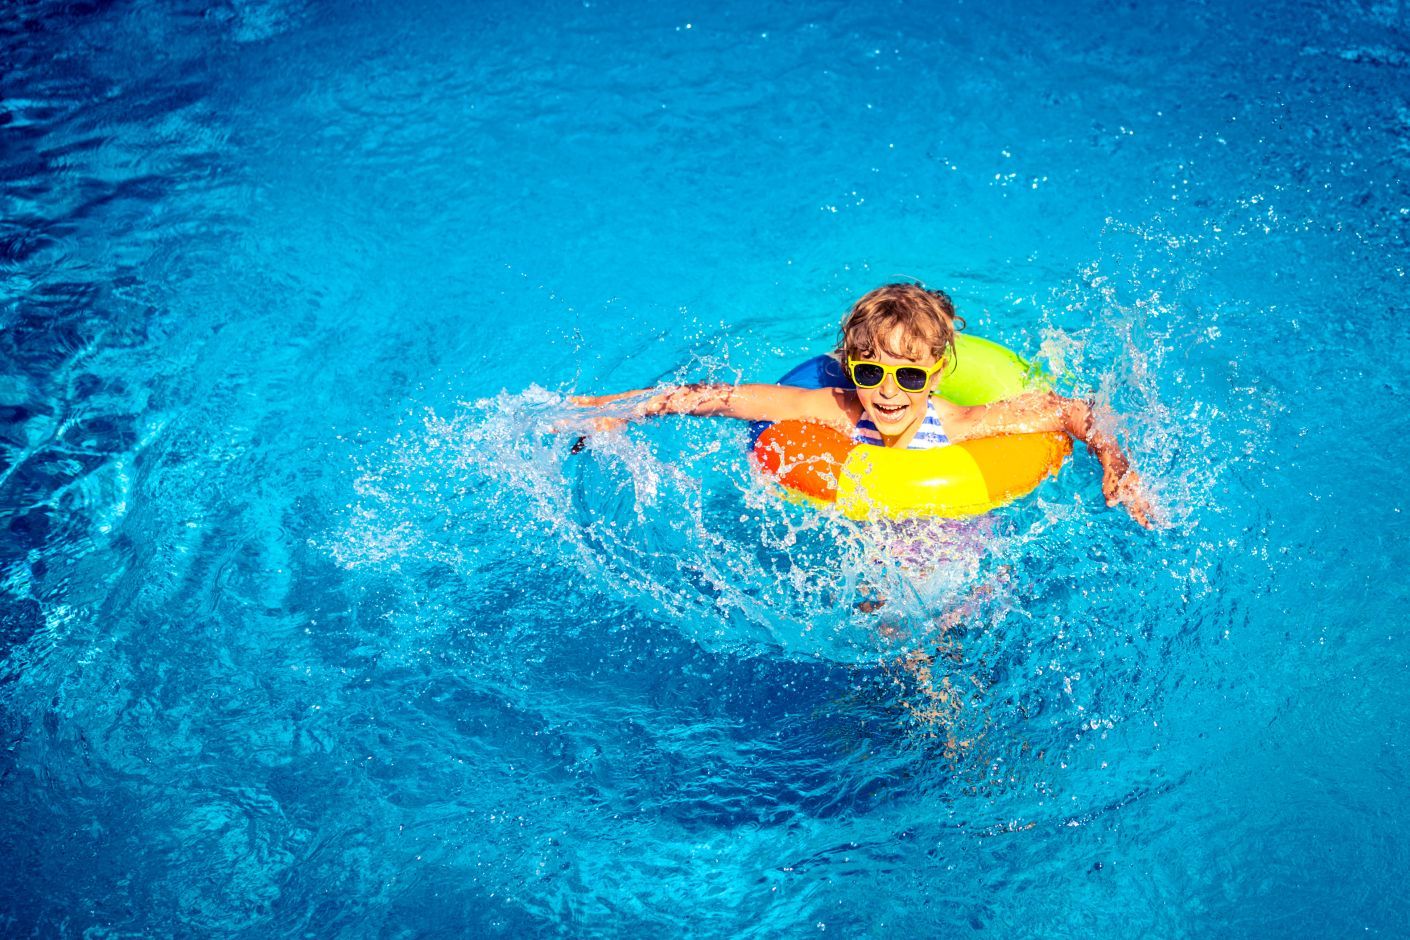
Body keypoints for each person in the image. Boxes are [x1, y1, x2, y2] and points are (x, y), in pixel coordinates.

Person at [568, 283, 1155, 528]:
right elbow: (723, 398)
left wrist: (1116, 465)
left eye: (908, 373)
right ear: (853, 369)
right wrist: (626, 406)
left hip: (958, 538)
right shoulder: (839, 409)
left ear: (934, 373)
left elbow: (1077, 413)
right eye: (871, 371)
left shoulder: (956, 421)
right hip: (878, 550)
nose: (889, 390)